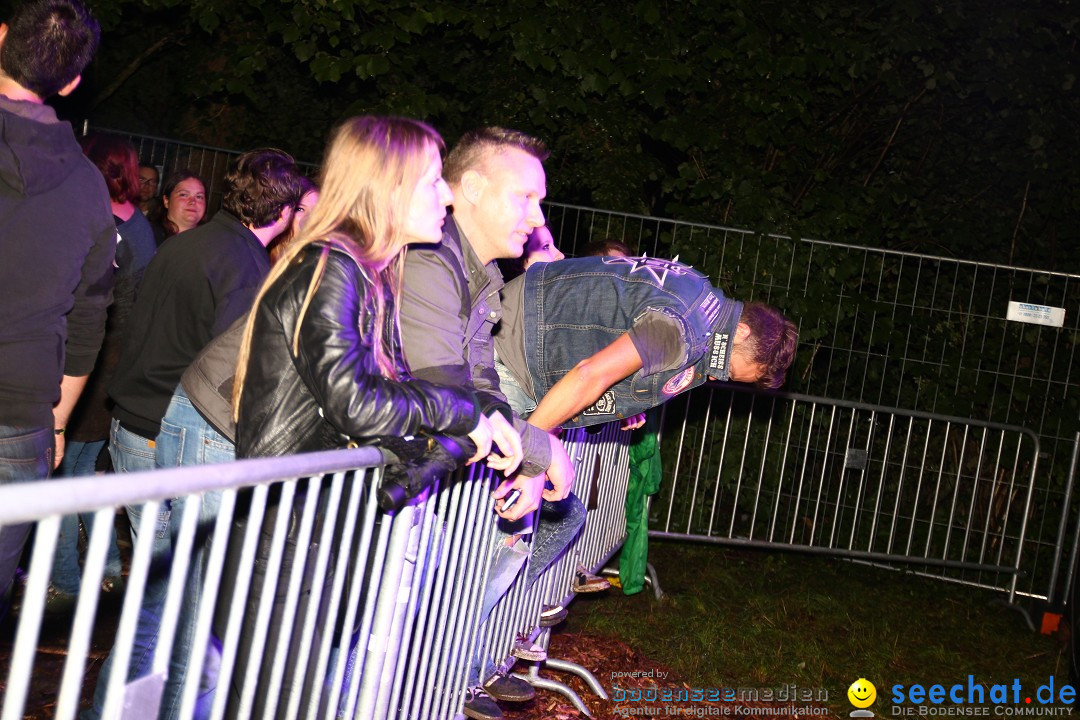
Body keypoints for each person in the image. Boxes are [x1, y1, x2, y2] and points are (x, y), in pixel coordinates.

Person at [224, 115, 516, 719]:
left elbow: (398, 394)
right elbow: (356, 401)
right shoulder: (332, 266)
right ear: (387, 187)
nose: (447, 194)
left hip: (317, 527)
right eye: (434, 180)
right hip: (287, 535)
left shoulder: (371, 271)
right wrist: (461, 415)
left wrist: (478, 422)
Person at [87, 148, 305, 720]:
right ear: (281, 211)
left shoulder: (188, 243)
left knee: (160, 600)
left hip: (133, 425)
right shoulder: (245, 266)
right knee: (171, 610)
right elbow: (230, 377)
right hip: (166, 435)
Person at [398, 127, 578, 720]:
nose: (538, 215)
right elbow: (447, 389)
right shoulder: (428, 255)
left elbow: (483, 386)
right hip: (222, 428)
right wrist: (542, 448)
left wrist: (535, 449)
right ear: (470, 187)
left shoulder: (480, 273)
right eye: (525, 197)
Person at [0, 0, 114, 616]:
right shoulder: (88, 186)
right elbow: (88, 318)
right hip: (19, 418)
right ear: (71, 83)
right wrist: (61, 419)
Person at [493, 254, 799, 432]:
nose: (720, 376)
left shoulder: (699, 291)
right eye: (730, 369)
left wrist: (627, 395)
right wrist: (532, 455)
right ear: (742, 331)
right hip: (514, 352)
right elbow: (590, 375)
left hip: (523, 326)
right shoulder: (682, 332)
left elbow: (619, 315)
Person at [48, 134, 156, 605]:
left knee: (60, 481)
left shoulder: (98, 222)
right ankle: (108, 566)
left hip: (88, 365)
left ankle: (68, 581)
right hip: (117, 365)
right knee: (83, 472)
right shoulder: (142, 226)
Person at [151, 168, 207, 245]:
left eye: (199, 197)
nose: (193, 202)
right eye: (183, 195)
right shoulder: (148, 237)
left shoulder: (211, 241)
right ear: (166, 201)